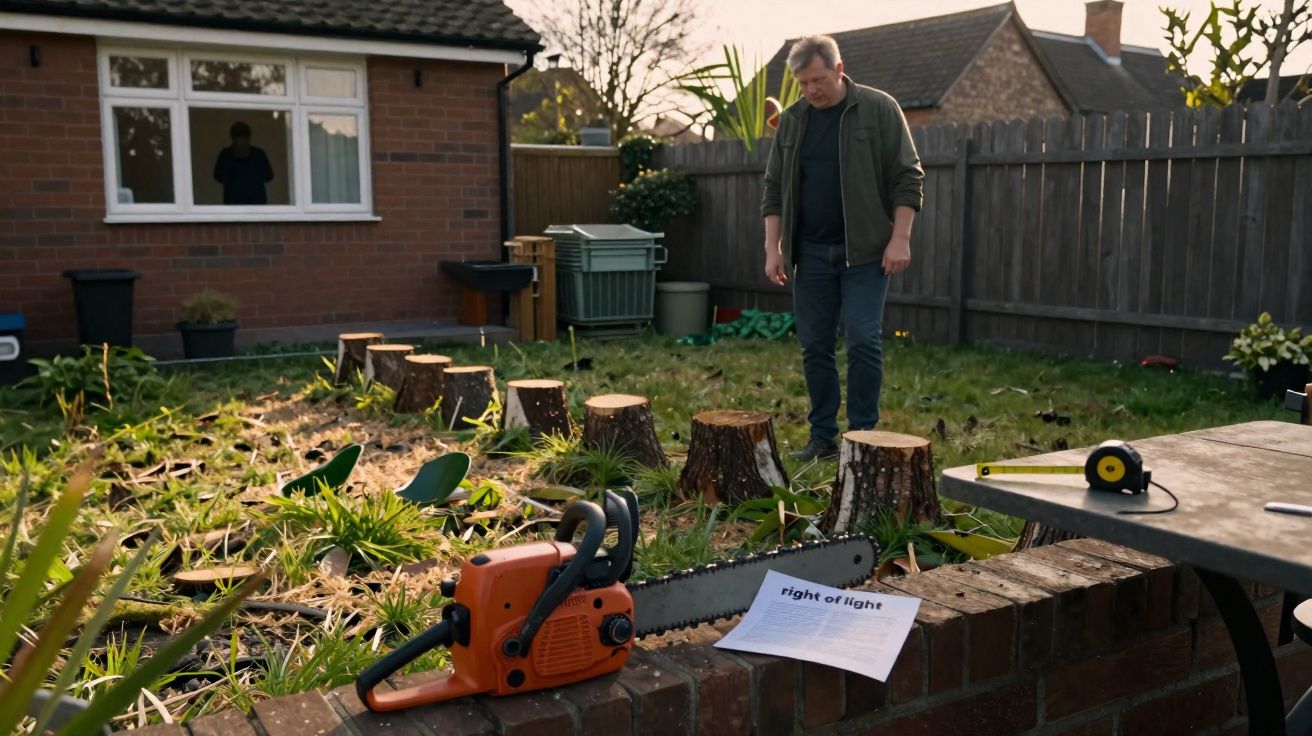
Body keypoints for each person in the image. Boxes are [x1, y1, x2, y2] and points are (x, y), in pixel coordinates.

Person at [761, 35, 924, 461]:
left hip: (866, 253)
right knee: (814, 345)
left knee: (863, 341)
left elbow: (908, 176)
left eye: (818, 79)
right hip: (810, 253)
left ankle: (863, 437)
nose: (811, 89)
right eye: (803, 83)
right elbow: (774, 187)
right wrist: (772, 247)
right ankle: (822, 438)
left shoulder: (878, 109)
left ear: (838, 69)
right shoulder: (794, 121)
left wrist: (900, 237)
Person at [213, 121, 274, 205]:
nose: (240, 145)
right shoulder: (226, 155)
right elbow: (218, 177)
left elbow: (268, 176)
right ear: (233, 140)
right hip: (233, 204)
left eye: (243, 141)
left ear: (248, 140)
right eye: (237, 142)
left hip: (257, 205)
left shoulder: (258, 155)